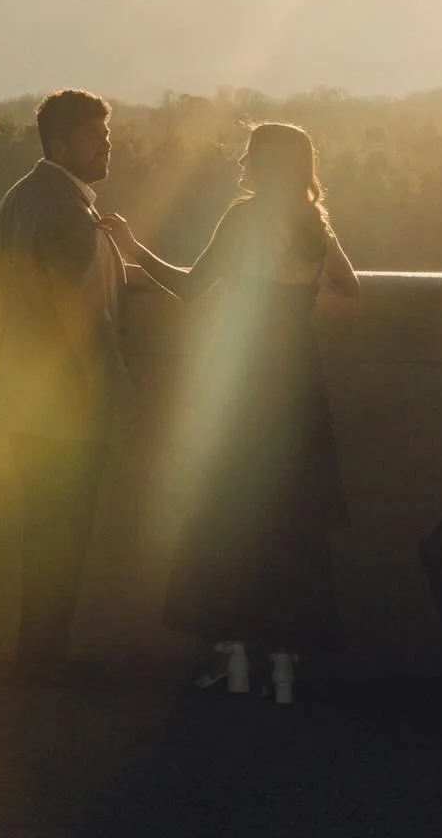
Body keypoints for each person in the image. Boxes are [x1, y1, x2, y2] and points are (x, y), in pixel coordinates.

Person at [98, 121, 359, 704]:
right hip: (298, 383)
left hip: (244, 382)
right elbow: (351, 286)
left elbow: (190, 287)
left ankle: (235, 657)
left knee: (227, 516)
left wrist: (131, 246)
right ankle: (287, 667)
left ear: (258, 164)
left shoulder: (244, 217)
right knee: (293, 523)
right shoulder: (315, 223)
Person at [0, 88, 127, 686]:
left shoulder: (20, 198)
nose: (107, 148)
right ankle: (45, 663)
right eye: (96, 138)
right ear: (60, 143)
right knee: (63, 536)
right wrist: (110, 389)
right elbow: (80, 315)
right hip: (65, 404)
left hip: (23, 396)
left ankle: (36, 657)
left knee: (42, 532)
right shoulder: (67, 211)